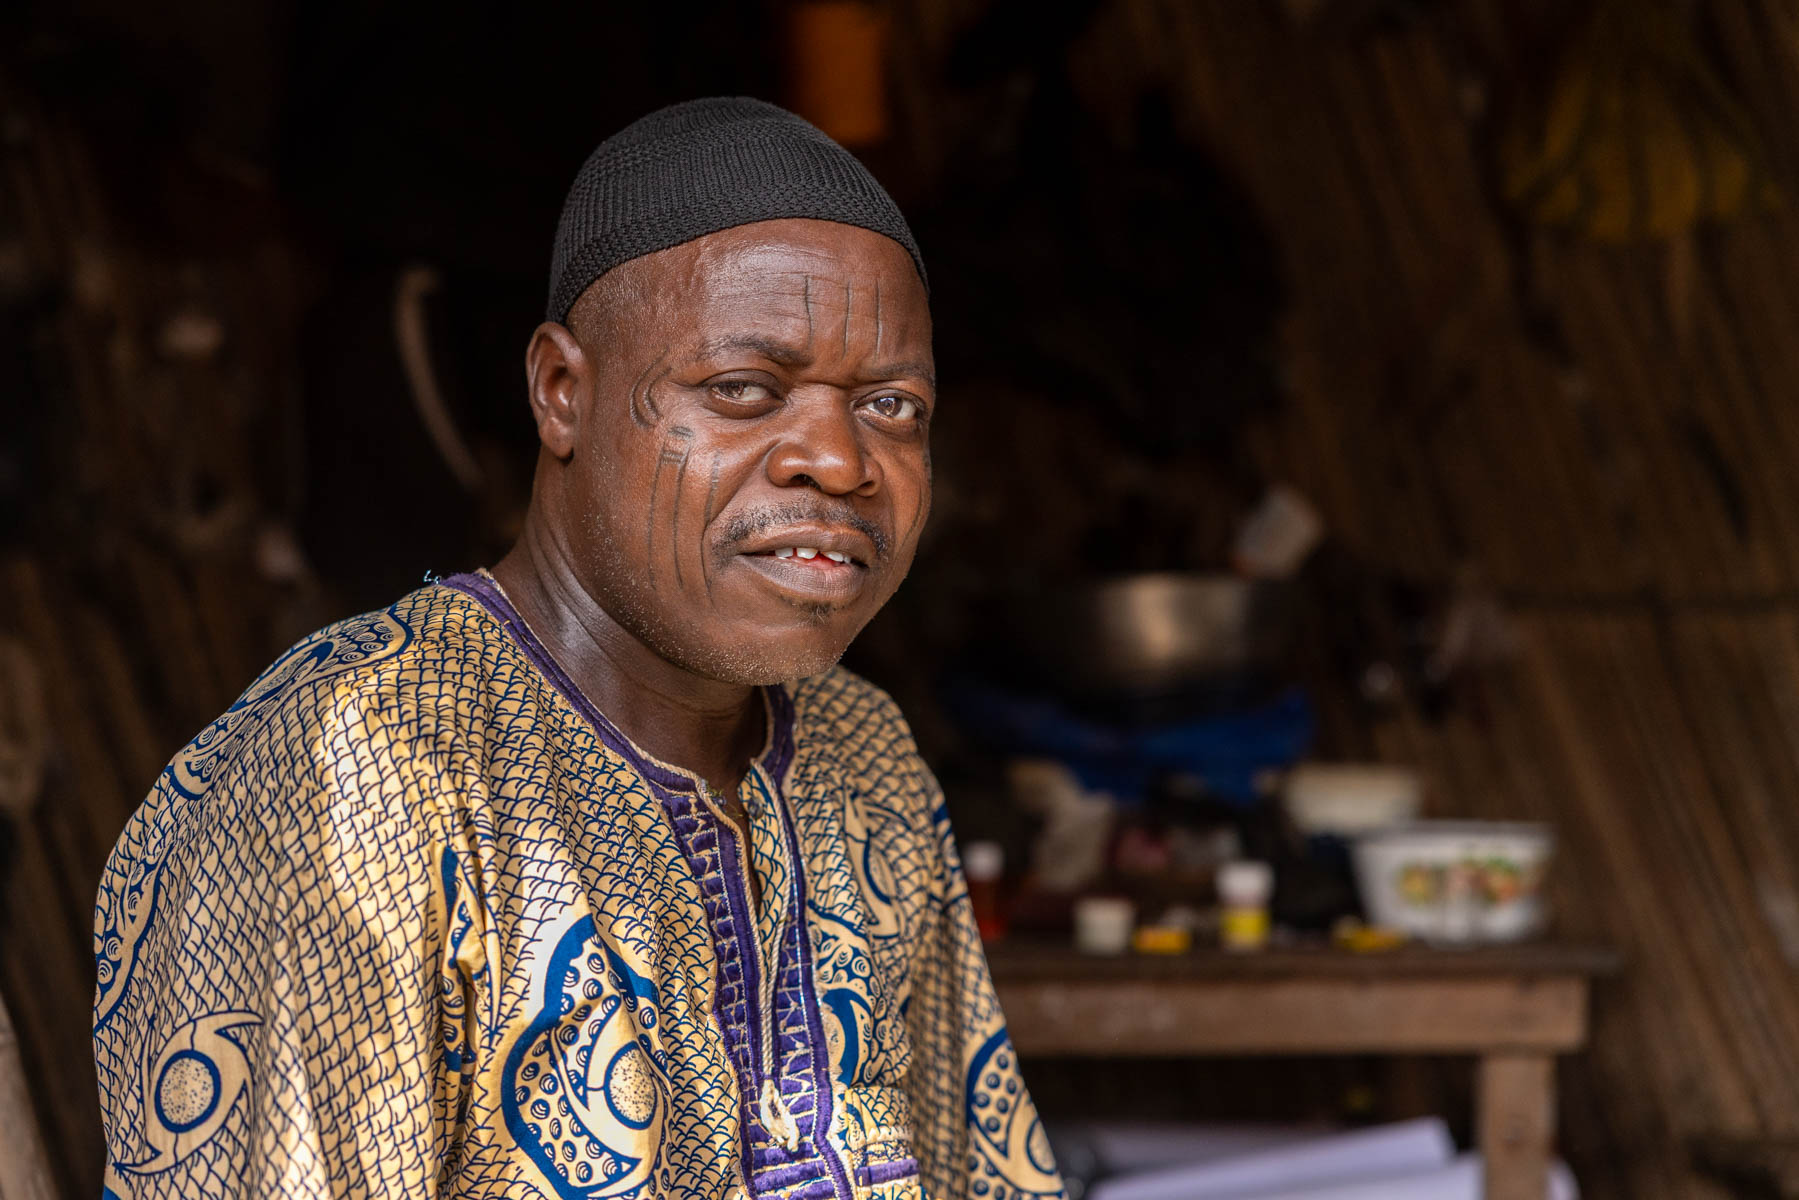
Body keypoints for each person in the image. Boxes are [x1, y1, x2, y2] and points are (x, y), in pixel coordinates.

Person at [92, 97, 1066, 1200]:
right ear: (562, 392)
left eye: (891, 406)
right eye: (742, 390)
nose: (839, 462)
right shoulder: (354, 775)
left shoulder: (863, 752)